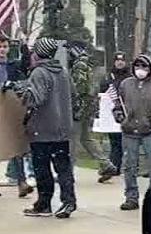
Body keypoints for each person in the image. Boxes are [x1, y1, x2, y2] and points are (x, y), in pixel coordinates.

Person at [12, 37, 76, 218]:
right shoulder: (63, 72)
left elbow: (35, 99)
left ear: (39, 53)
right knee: (63, 168)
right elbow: (73, 96)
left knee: (42, 169)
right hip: (62, 129)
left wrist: (19, 90)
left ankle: (44, 203)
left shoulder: (39, 72)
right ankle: (68, 201)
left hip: (42, 129)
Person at [114, 54, 151, 211]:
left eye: (144, 66)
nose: (140, 69)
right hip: (129, 131)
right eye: (137, 66)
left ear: (150, 68)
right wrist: (120, 116)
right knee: (129, 166)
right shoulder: (125, 84)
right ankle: (131, 197)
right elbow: (118, 104)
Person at [0, 35, 34, 198]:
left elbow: (27, 64)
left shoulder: (12, 65)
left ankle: (22, 182)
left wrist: (24, 46)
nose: (2, 50)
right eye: (0, 47)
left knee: (15, 146)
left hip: (9, 111)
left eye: (5, 46)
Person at [67, 43, 103, 167]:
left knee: (73, 138)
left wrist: (75, 103)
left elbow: (80, 87)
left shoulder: (79, 64)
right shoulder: (88, 64)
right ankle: (105, 163)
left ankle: (69, 167)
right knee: (85, 138)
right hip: (88, 105)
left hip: (80, 106)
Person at [98, 52, 130, 181]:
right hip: (111, 114)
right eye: (117, 60)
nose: (120, 62)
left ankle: (117, 166)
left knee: (122, 141)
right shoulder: (108, 76)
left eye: (122, 60)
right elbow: (102, 90)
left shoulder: (129, 77)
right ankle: (114, 166)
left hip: (126, 112)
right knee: (114, 141)